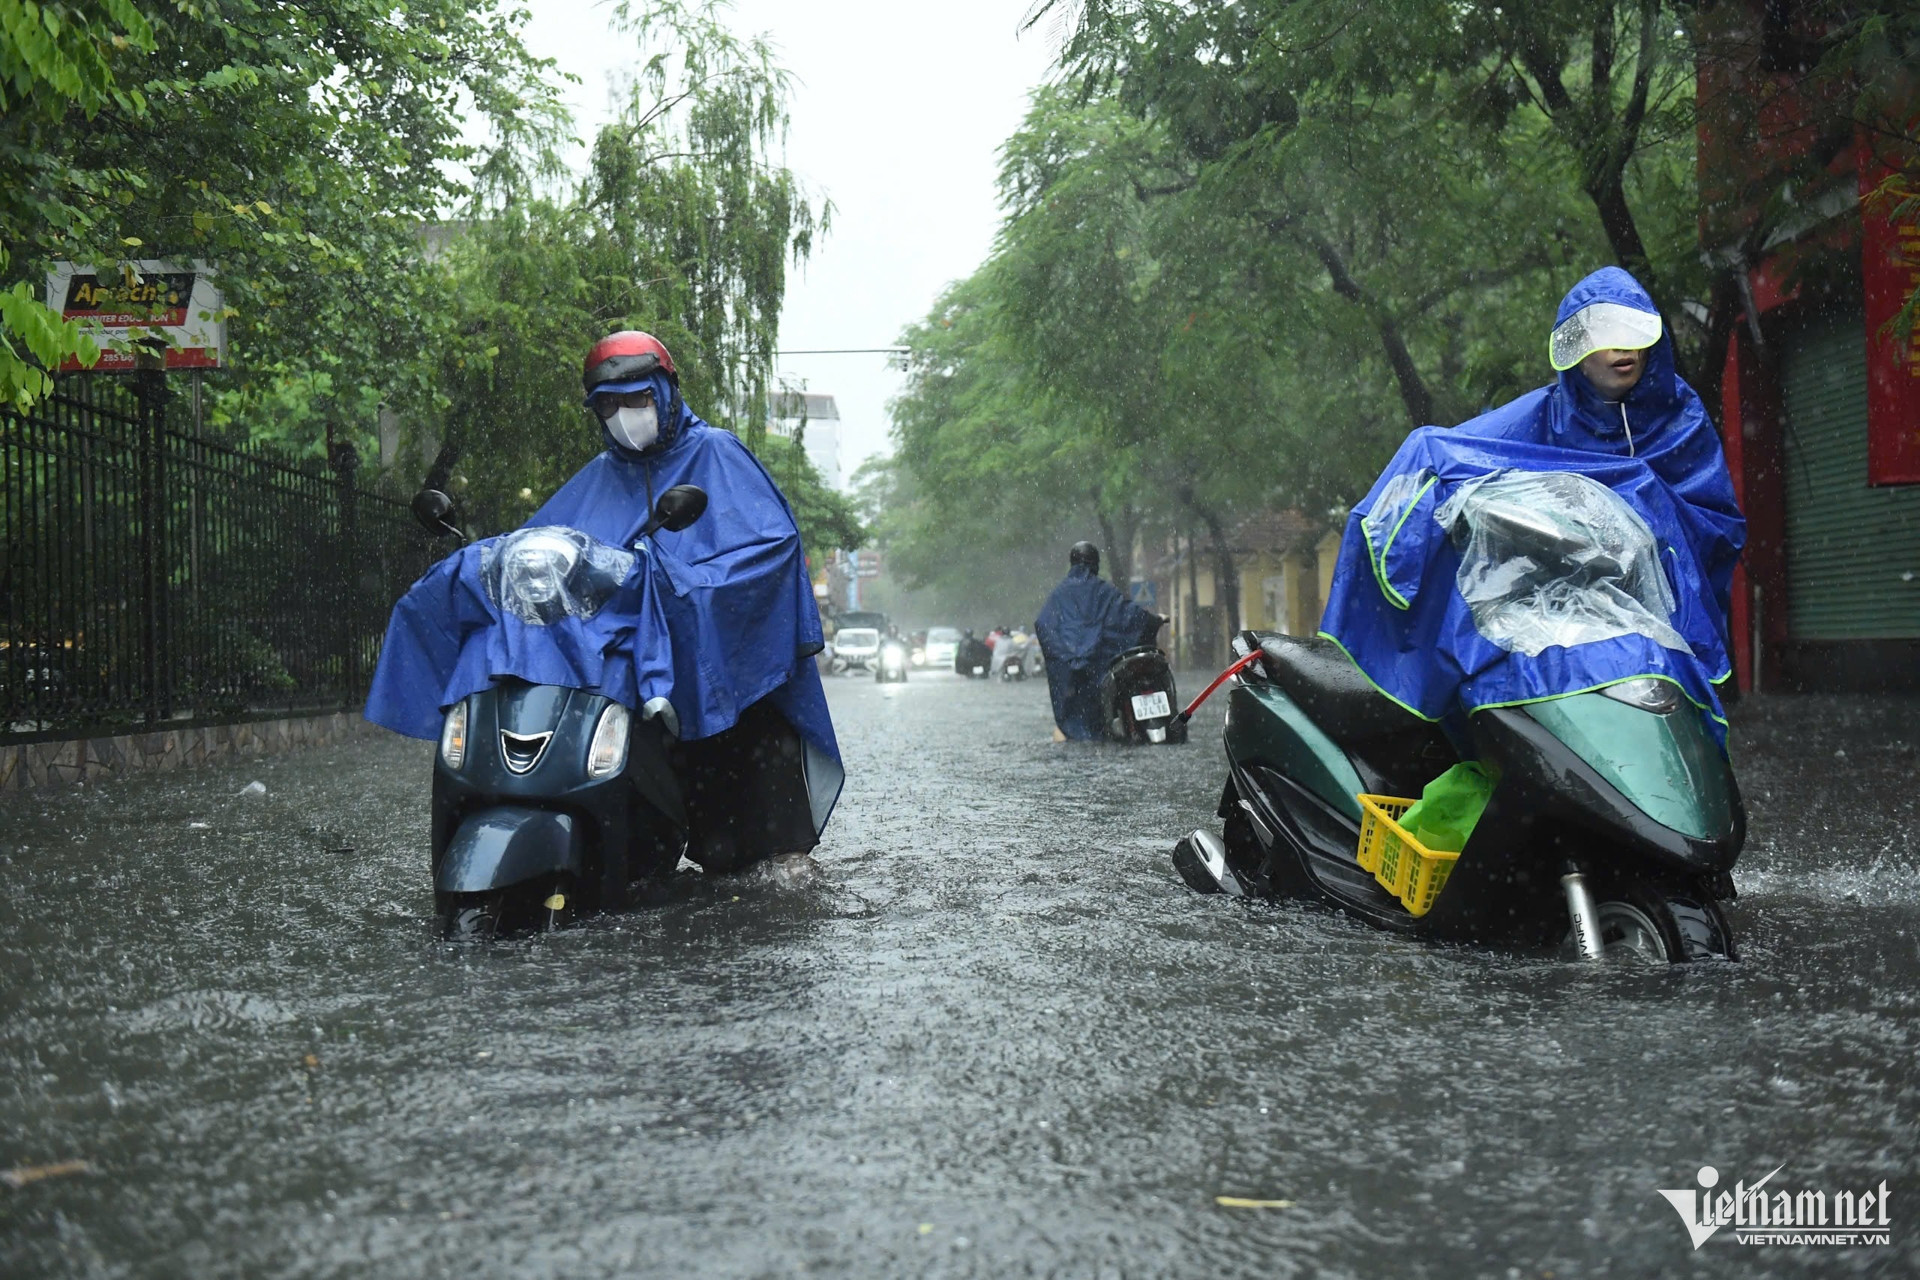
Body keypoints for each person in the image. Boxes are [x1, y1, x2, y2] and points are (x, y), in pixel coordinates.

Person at [366, 329, 842, 873]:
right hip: (626, 674)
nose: (624, 414)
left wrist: (678, 585)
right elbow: (547, 552)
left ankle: (768, 856)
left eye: (636, 399)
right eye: (609, 405)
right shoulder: (597, 478)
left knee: (754, 857)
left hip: (716, 662)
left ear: (666, 390)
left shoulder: (717, 454)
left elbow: (771, 554)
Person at [1319, 267, 1746, 737]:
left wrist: (1644, 513)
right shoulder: (1541, 417)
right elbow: (1448, 453)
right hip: (1559, 615)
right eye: (1602, 336)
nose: (1622, 349)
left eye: (1631, 332)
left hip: (1655, 622)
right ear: (1576, 354)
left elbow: (1716, 524)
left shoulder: (1682, 419)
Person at [1034, 541, 1165, 741]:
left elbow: (1044, 626)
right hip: (1101, 669)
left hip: (1072, 679)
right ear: (1095, 563)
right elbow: (1130, 616)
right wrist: (1154, 621)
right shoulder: (1105, 592)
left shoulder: (1059, 595)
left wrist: (1067, 658)